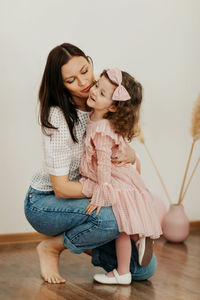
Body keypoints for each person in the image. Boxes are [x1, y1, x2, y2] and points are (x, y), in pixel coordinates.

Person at [24, 43, 157, 284]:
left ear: (89, 60)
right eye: (71, 80)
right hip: (46, 202)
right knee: (117, 216)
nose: (84, 82)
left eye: (85, 71)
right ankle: (52, 247)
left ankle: (93, 238)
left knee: (143, 270)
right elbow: (62, 189)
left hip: (89, 195)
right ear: (61, 85)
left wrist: (131, 155)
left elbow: (117, 151)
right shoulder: (58, 116)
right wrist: (111, 193)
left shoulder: (105, 100)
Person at [79, 68, 162, 285]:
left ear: (114, 106)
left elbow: (104, 164)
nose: (94, 91)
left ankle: (135, 244)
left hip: (112, 180)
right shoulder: (98, 120)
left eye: (103, 93)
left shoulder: (102, 129)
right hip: (118, 177)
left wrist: (101, 192)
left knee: (122, 225)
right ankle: (124, 270)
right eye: (97, 85)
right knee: (122, 226)